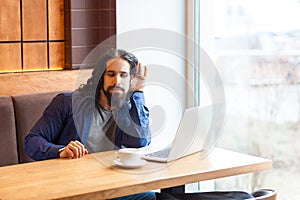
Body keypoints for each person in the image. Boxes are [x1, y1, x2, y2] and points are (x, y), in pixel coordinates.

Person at [24, 48, 156, 200]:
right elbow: (32, 141)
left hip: (112, 185)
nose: (117, 81)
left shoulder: (127, 109)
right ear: (100, 77)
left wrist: (138, 92)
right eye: (111, 74)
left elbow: (140, 141)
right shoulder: (68, 103)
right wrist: (61, 151)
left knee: (151, 197)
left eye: (123, 75)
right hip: (74, 187)